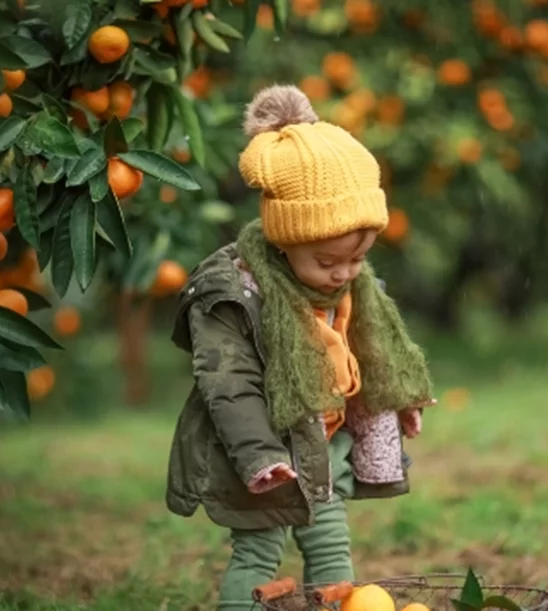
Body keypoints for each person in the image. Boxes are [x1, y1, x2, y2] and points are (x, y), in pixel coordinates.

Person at [165, 83, 436, 610]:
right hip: (261, 456)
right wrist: (260, 456)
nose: (344, 273)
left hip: (322, 446)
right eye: (329, 261)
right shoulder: (236, 296)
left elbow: (368, 355)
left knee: (332, 543)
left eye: (357, 259)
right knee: (258, 554)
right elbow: (228, 385)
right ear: (285, 237)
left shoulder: (349, 286)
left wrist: (395, 398)